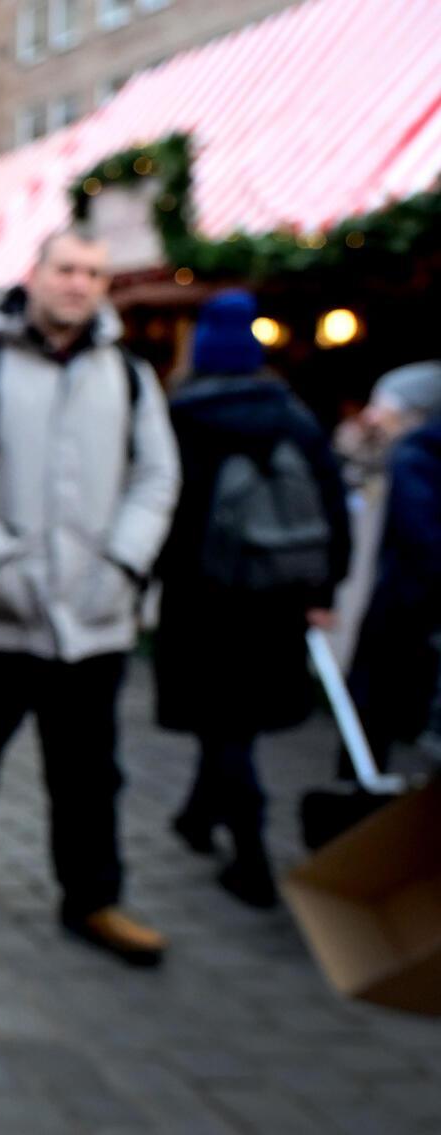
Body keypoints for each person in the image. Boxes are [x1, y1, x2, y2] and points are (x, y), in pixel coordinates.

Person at [0, 227, 181, 968]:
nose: (78, 283)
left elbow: (157, 477)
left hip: (95, 617)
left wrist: (124, 564)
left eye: (94, 273)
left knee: (91, 770)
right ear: (33, 274)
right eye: (66, 268)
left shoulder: (128, 375)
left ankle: (94, 897)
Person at [152, 291, 350, 908]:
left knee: (224, 728)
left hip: (206, 601)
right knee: (235, 725)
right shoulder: (293, 413)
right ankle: (196, 815)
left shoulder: (181, 416)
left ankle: (253, 858)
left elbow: (166, 511)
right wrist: (323, 587)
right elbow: (332, 503)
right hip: (279, 598)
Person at [346, 363, 441, 769]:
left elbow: (423, 542)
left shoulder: (414, 456)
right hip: (412, 610)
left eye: (382, 404)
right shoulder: (409, 453)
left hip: (406, 611)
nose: (370, 415)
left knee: (374, 711)